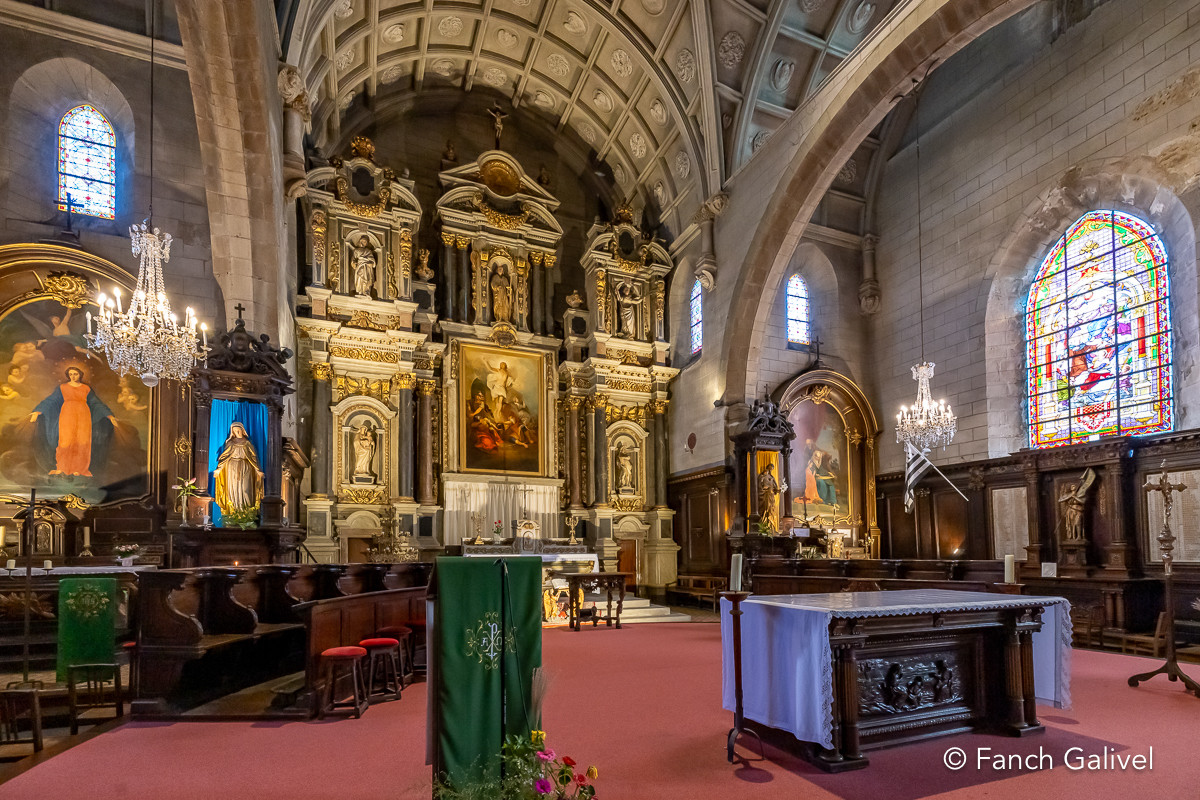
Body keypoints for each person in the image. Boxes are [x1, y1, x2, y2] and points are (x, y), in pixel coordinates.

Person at [29, 366, 117, 477]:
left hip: (83, 415)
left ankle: (79, 469)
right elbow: (51, 400)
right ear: (68, 375)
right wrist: (38, 411)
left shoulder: (86, 388)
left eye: (75, 374)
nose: (73, 376)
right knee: (65, 441)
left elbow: (96, 403)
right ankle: (62, 467)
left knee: (82, 441)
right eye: (70, 374)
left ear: (80, 374)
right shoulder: (62, 387)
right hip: (67, 414)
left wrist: (109, 415)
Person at [214, 422, 265, 517]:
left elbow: (253, 458)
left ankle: (247, 513)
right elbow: (224, 457)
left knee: (246, 489)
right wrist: (219, 469)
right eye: (235, 431)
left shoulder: (247, 443)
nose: (237, 432)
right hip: (231, 468)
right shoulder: (230, 443)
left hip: (246, 468)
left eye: (238, 430)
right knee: (233, 490)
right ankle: (233, 513)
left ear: (242, 430)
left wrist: (258, 470)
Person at [757, 463, 780, 532]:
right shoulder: (762, 476)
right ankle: (763, 526)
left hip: (771, 496)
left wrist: (777, 490)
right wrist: (765, 489)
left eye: (771, 469)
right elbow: (759, 486)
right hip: (765, 496)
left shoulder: (771, 477)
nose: (769, 470)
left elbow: (774, 486)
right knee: (765, 509)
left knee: (771, 510)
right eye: (769, 469)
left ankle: (771, 525)